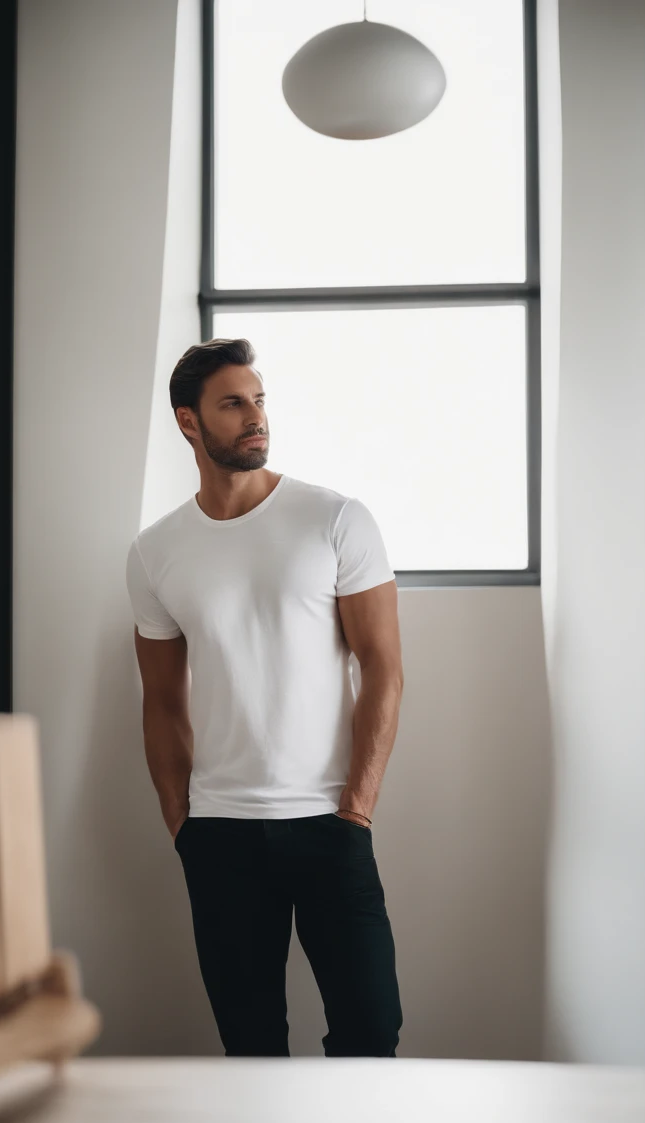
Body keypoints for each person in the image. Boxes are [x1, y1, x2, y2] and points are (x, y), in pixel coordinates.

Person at [126, 337, 404, 1057]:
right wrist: (183, 825)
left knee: (373, 1030)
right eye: (233, 404)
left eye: (259, 401)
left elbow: (383, 668)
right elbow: (161, 700)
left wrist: (358, 810)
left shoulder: (336, 518)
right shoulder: (156, 552)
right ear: (190, 423)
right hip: (219, 836)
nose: (256, 417)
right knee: (250, 1049)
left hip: (330, 825)